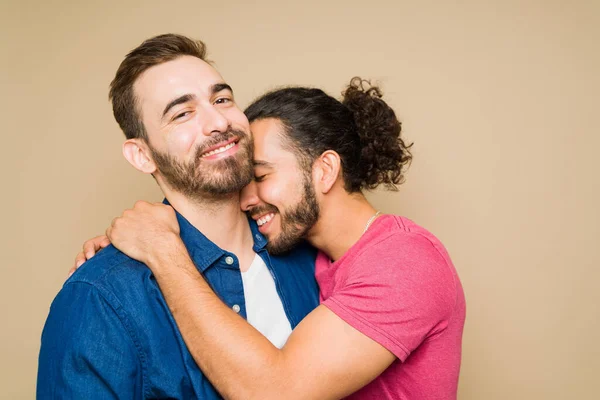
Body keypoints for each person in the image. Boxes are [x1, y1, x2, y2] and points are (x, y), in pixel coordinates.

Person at [76, 80, 466, 398]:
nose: (245, 200)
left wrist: (161, 249)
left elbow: (275, 392)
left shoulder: (406, 260)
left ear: (325, 170)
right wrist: (121, 252)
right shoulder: (309, 253)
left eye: (260, 177)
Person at [37, 33, 319, 399]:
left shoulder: (306, 251)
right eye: (182, 113)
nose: (217, 121)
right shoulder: (98, 299)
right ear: (142, 155)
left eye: (222, 99)